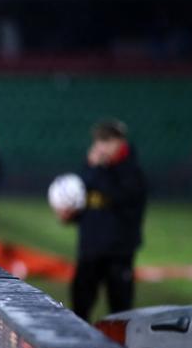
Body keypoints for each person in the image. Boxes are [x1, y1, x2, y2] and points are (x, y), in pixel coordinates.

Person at [56, 119, 147, 322]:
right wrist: (70, 215)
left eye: (107, 140)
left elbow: (117, 199)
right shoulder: (92, 169)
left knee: (121, 311)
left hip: (118, 253)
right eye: (99, 140)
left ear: (120, 142)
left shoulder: (131, 172)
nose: (101, 146)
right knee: (80, 307)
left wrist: (96, 168)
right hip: (89, 250)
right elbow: (85, 203)